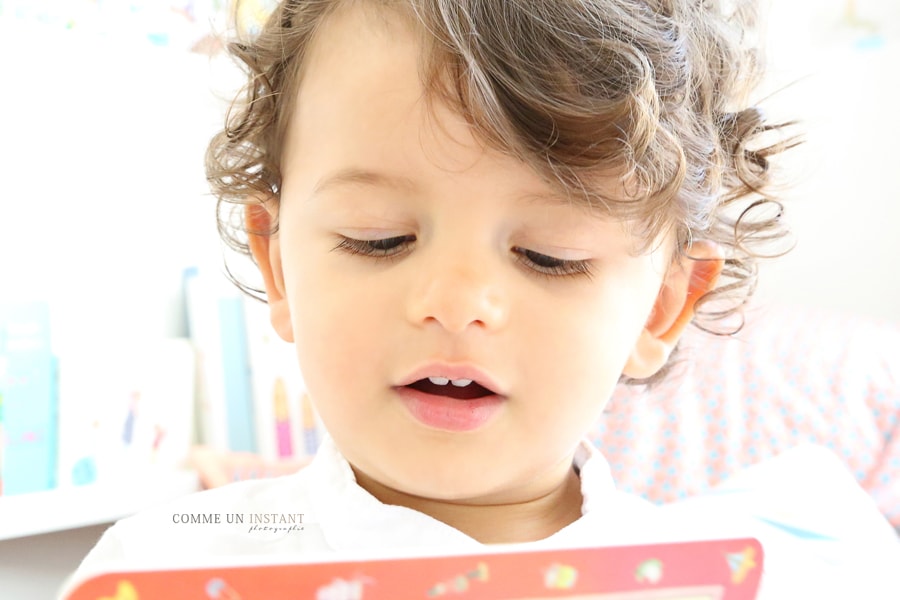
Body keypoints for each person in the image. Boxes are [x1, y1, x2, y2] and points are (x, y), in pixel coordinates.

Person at [68, 0, 900, 597]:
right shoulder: (164, 570)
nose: (455, 303)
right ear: (278, 260)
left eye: (550, 256)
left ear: (661, 310)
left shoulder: (723, 579)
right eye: (378, 237)